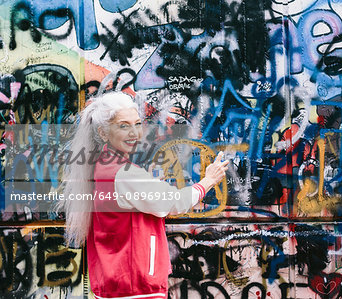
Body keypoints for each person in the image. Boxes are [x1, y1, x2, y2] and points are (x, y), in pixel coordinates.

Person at [58, 91, 229, 299]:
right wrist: (208, 181)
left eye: (137, 124)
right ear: (103, 133)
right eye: (123, 126)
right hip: (135, 285)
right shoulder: (123, 174)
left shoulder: (101, 167)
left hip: (114, 282)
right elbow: (175, 202)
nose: (134, 133)